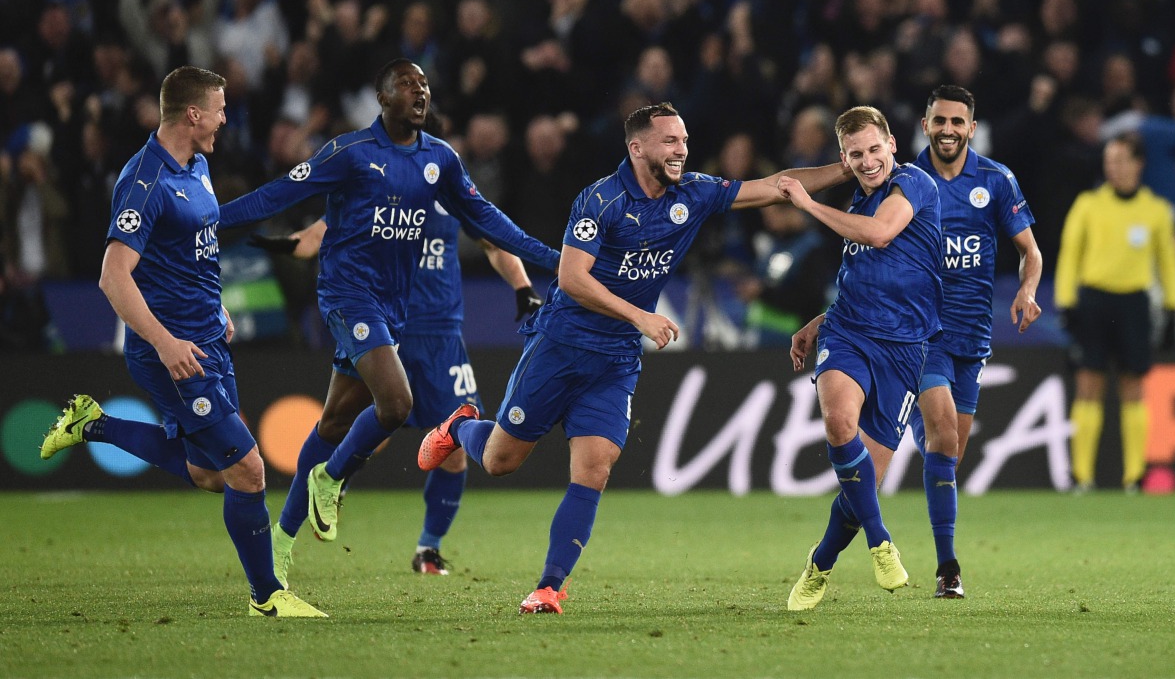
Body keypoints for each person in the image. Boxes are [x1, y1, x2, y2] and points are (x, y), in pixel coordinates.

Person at [417, 101, 851, 614]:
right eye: (670, 141)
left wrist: (848, 167)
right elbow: (574, 279)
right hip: (562, 344)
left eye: (684, 139)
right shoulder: (600, 200)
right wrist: (640, 316)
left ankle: (549, 587)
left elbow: (780, 184)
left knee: (595, 468)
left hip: (616, 358)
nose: (681, 149)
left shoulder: (694, 192)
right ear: (637, 146)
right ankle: (460, 428)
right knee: (499, 462)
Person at [216, 59, 560, 590]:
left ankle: (281, 543)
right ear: (382, 97)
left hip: (394, 311)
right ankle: (330, 479)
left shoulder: (439, 161)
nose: (419, 92)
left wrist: (551, 260)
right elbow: (278, 193)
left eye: (424, 84)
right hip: (349, 297)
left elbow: (486, 221)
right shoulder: (352, 153)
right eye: (406, 84)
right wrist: (210, 219)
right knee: (395, 406)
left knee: (333, 424)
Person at [37, 66, 325, 618]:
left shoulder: (198, 166)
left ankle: (91, 423)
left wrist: (212, 303)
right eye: (217, 110)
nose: (224, 119)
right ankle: (268, 596)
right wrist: (166, 342)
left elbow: (193, 248)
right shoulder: (143, 180)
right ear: (192, 114)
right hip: (170, 352)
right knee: (248, 469)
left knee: (208, 473)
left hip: (206, 340)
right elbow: (113, 275)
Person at [252, 212, 544, 578]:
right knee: (340, 423)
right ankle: (317, 498)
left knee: (453, 453)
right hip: (383, 326)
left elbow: (492, 239)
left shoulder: (448, 180)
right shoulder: (383, 180)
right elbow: (318, 234)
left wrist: (523, 287)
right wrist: (275, 241)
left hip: (441, 334)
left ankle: (428, 549)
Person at [778, 104, 943, 611]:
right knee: (838, 420)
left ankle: (819, 564)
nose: (868, 160)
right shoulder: (856, 197)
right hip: (848, 333)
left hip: (904, 349)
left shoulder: (915, 184)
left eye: (874, 149)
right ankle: (881, 541)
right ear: (846, 159)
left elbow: (878, 234)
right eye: (856, 154)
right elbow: (865, 279)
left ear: (892, 144)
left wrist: (807, 204)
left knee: (864, 481)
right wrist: (820, 321)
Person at [909, 85, 1043, 599]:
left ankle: (917, 432)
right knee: (944, 435)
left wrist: (1028, 290)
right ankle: (949, 568)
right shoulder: (907, 181)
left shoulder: (995, 180)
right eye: (939, 121)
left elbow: (1029, 250)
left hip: (973, 336)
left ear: (971, 126)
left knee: (947, 451)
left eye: (957, 122)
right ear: (926, 125)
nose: (947, 130)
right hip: (922, 332)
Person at [1055, 132, 1175, 493]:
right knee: (1088, 385)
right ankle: (1082, 476)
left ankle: (1134, 477)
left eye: (1122, 160)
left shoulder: (1155, 210)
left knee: (1133, 387)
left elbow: (1168, 263)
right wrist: (1066, 303)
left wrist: (1174, 307)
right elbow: (1069, 256)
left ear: (1139, 164)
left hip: (1133, 304)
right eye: (1110, 161)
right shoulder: (1088, 205)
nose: (1114, 167)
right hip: (1094, 301)